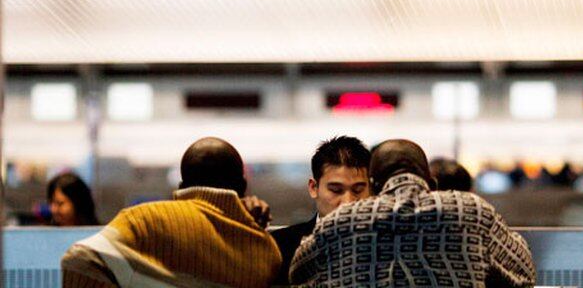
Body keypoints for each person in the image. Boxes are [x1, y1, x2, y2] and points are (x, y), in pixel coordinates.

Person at [290, 139, 536, 288]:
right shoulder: (473, 211)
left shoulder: (340, 222)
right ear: (432, 183)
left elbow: (298, 276)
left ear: (374, 185)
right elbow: (524, 274)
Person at [61, 137, 281, 287]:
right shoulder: (266, 252)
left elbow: (79, 260)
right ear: (243, 187)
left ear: (182, 185)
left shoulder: (144, 221)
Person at [271, 136, 371, 286]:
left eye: (358, 190)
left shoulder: (388, 246)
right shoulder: (279, 247)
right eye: (336, 190)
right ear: (313, 188)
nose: (348, 202)